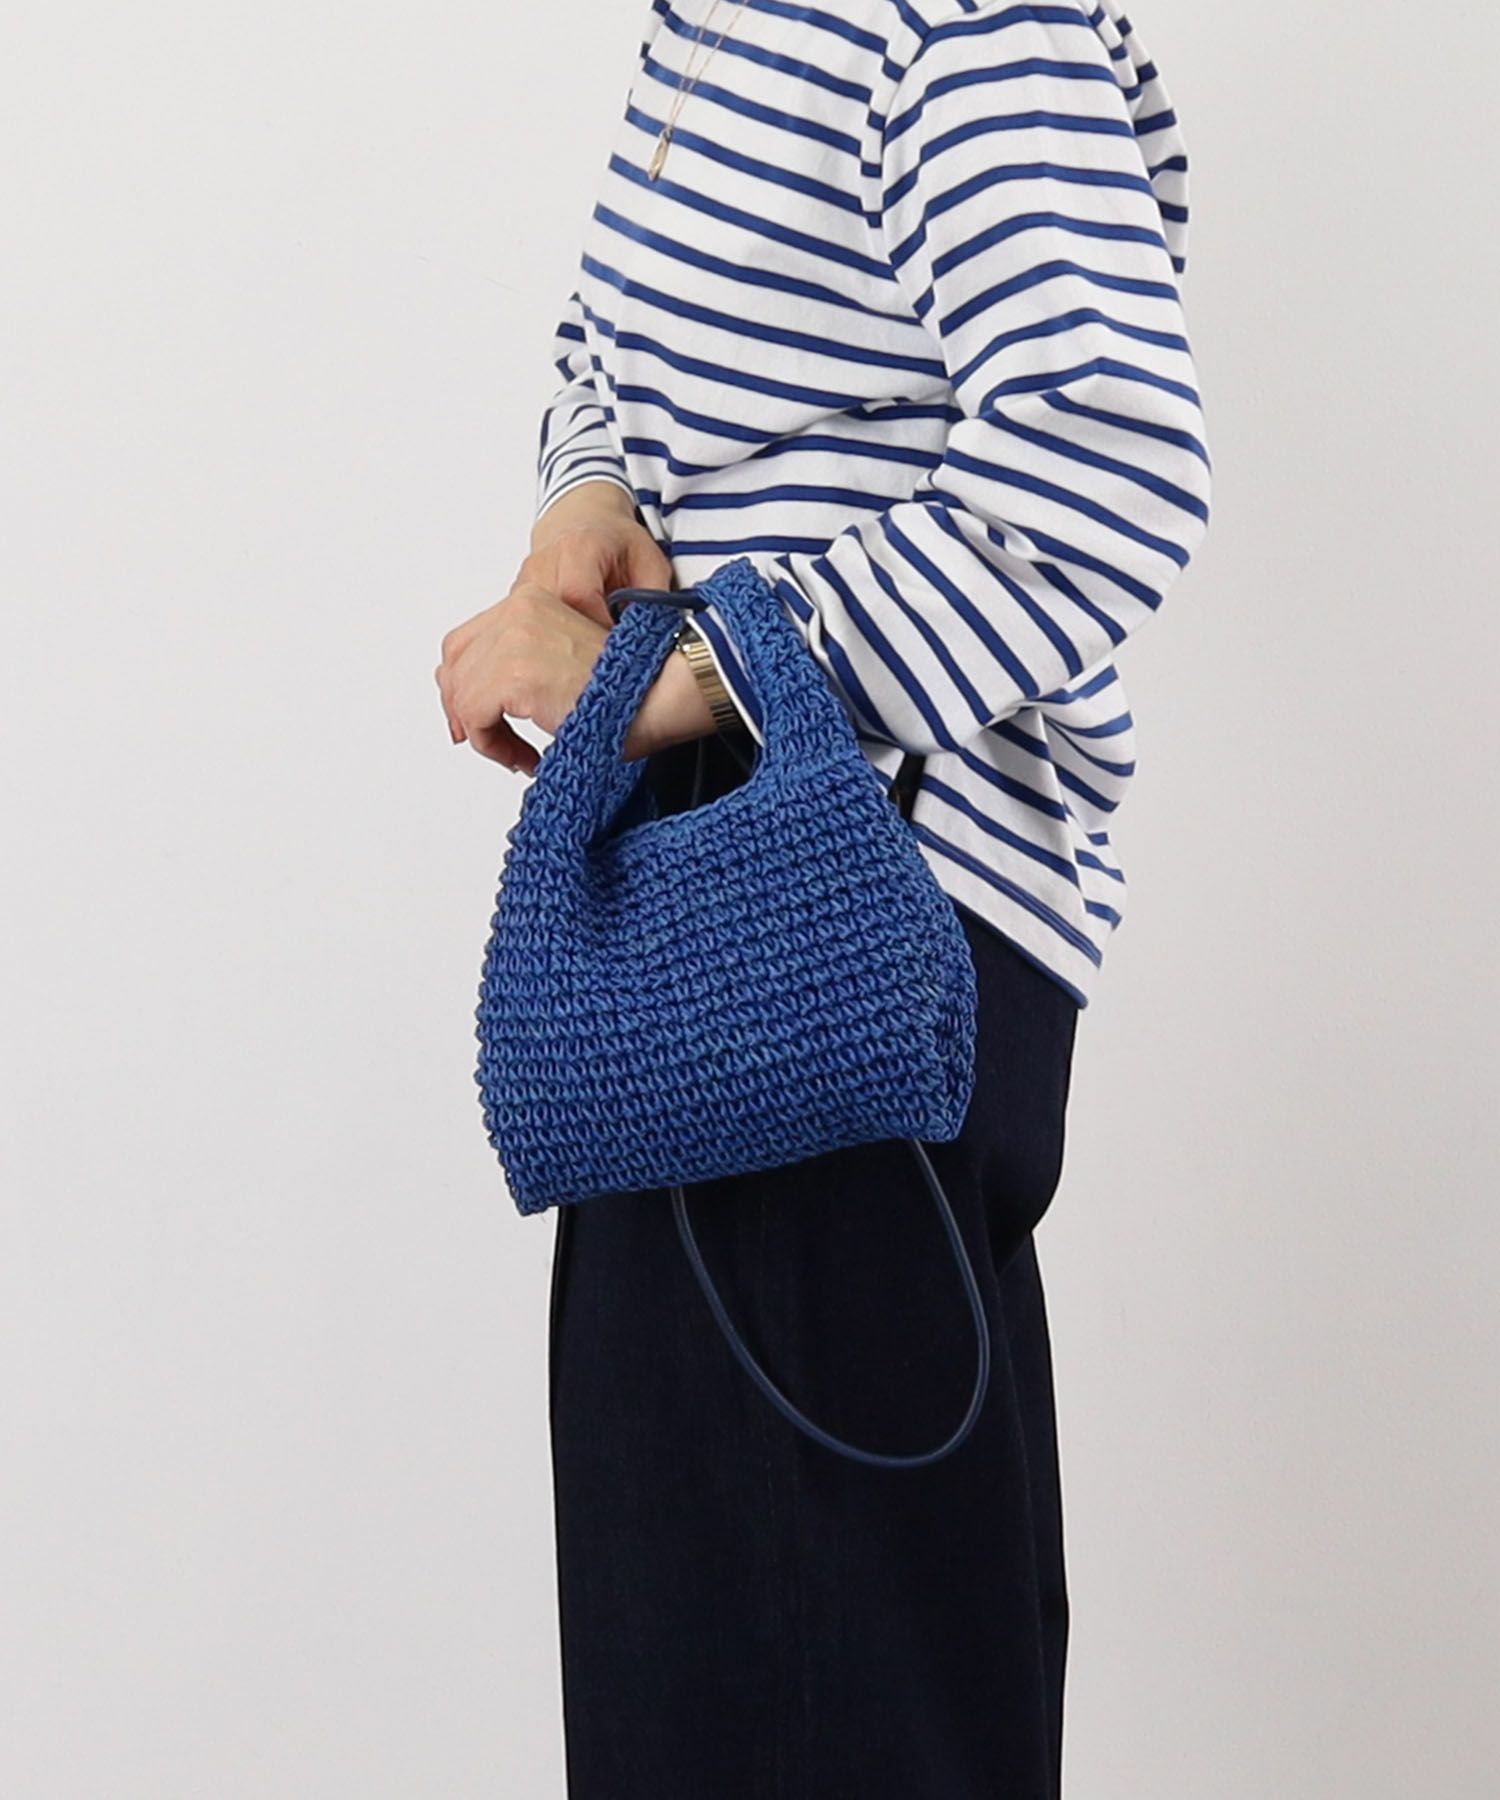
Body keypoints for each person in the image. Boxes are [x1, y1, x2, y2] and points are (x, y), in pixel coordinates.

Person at [436, 1, 1211, 1792]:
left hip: (846, 900)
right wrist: (585, 505)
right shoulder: (716, 19)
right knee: (749, 1662)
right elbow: (614, 342)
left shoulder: (955, 24)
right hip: (723, 894)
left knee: (799, 1683)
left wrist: (695, 669)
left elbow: (1109, 456)